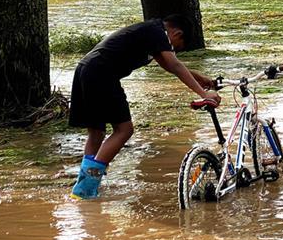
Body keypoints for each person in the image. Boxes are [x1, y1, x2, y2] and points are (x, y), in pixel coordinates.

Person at [68, 14, 220, 199]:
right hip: (102, 72)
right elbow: (175, 64)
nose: (172, 51)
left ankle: (83, 189)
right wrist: (204, 95)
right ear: (177, 33)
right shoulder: (157, 32)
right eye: (175, 47)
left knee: (96, 133)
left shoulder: (151, 32)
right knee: (124, 130)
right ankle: (89, 184)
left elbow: (170, 65)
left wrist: (201, 78)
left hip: (86, 69)